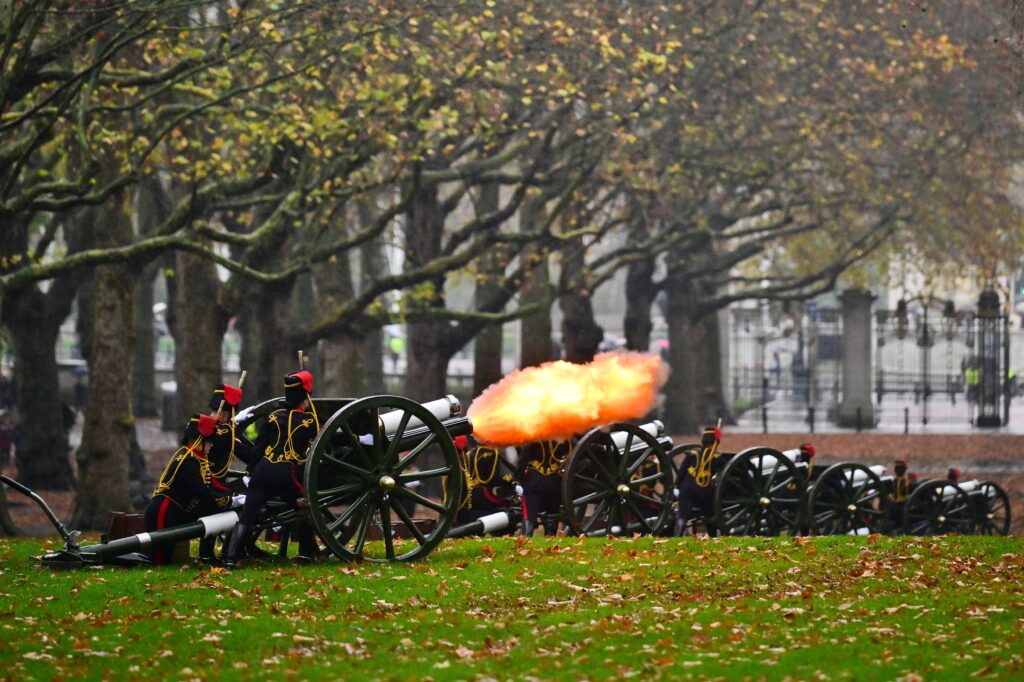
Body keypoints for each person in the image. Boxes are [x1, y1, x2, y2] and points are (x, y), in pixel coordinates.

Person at [225, 370, 320, 567]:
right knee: (304, 507)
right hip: (286, 473)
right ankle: (307, 554)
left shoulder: (274, 416)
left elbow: (258, 450)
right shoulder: (310, 421)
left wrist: (250, 471)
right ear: (305, 397)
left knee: (248, 515)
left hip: (262, 470)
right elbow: (318, 449)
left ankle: (230, 557)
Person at [144, 413, 236, 565]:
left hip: (176, 511)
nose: (212, 445)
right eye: (210, 442)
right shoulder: (188, 461)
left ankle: (207, 555)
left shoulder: (196, 458)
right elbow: (200, 491)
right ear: (199, 440)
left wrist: (229, 495)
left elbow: (209, 485)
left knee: (164, 559)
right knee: (159, 560)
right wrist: (227, 499)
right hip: (163, 512)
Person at [455, 435, 519, 533]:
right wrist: (509, 480)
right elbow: (495, 478)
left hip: (471, 495)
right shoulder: (493, 454)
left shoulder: (469, 454)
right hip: (485, 495)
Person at [674, 424, 725, 536]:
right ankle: (714, 538)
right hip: (704, 492)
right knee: (710, 516)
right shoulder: (717, 457)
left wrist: (677, 487)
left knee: (682, 516)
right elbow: (725, 473)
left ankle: (676, 538)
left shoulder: (692, 454)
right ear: (715, 442)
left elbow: (682, 472)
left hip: (686, 490)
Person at [517, 439, 572, 536]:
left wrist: (518, 481)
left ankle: (526, 537)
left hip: (534, 481)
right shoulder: (562, 439)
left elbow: (523, 461)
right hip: (554, 480)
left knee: (530, 513)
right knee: (552, 512)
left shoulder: (533, 440)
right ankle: (550, 534)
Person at [889, 459, 912, 533]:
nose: (897, 470)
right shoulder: (894, 481)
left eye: (900, 468)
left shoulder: (908, 481)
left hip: (904, 505)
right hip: (896, 504)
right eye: (896, 468)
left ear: (904, 470)